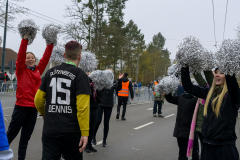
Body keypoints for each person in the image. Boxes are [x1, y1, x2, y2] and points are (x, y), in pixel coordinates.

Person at [34, 41, 91, 160]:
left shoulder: (50, 72)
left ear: (64, 55)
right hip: (71, 131)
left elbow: (38, 99)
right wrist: (85, 132)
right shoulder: (81, 75)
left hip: (50, 130)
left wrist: (44, 113)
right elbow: (83, 107)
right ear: (80, 56)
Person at [6, 34, 54, 160]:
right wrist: (25, 39)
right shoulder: (21, 70)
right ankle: (2, 155)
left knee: (25, 138)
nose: (30, 59)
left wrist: (50, 44)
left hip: (33, 109)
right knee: (10, 135)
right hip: (21, 107)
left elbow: (45, 58)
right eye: (28, 58)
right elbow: (20, 56)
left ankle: (21, 158)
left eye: (32, 57)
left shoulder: (38, 69)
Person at [181, 66, 240, 160]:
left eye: (221, 73)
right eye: (216, 72)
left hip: (225, 149)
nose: (217, 74)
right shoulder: (209, 92)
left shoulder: (233, 95)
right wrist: (185, 68)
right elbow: (188, 87)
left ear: (227, 75)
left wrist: (228, 65)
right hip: (207, 147)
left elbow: (233, 85)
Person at [165, 88, 199, 160]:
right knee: (194, 153)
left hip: (181, 132)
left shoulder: (181, 98)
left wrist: (167, 90)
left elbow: (169, 98)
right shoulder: (196, 100)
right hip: (192, 132)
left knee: (182, 153)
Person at [92, 71, 123, 147]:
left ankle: (104, 140)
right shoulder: (101, 81)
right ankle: (93, 137)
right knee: (98, 121)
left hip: (109, 104)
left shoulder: (113, 82)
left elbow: (119, 89)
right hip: (100, 104)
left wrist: (119, 80)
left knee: (106, 123)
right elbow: (97, 91)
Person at [84, 73, 98, 153]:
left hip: (95, 106)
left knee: (92, 127)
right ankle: (85, 146)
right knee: (87, 127)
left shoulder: (95, 84)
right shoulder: (86, 82)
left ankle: (90, 144)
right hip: (87, 107)